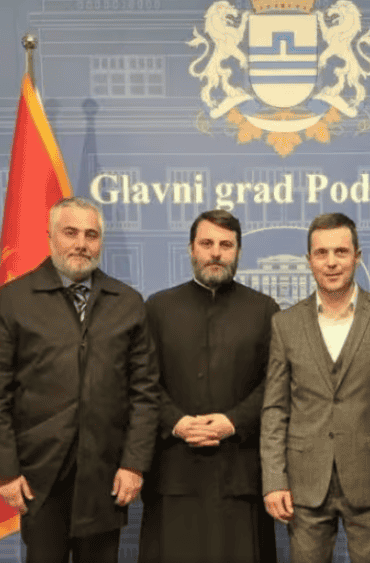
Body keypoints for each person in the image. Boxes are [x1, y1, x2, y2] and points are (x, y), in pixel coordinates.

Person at [0, 197, 161, 563]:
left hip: (107, 475)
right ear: (50, 236)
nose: (81, 244)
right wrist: (5, 472)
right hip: (38, 476)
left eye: (91, 235)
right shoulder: (14, 300)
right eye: (70, 233)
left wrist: (134, 463)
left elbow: (145, 393)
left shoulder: (127, 302)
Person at [261, 212, 370, 563]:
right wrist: (274, 479)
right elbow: (275, 408)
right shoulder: (285, 324)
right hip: (305, 484)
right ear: (309, 260)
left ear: (357, 257)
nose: (331, 262)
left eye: (341, 252)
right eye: (321, 253)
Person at [138, 210, 280, 563]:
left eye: (226, 245)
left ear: (238, 252)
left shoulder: (264, 310)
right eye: (207, 243)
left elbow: (276, 384)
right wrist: (176, 421)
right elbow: (142, 380)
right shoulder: (157, 307)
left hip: (240, 475)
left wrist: (233, 421)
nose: (216, 252)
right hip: (173, 474)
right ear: (191, 249)